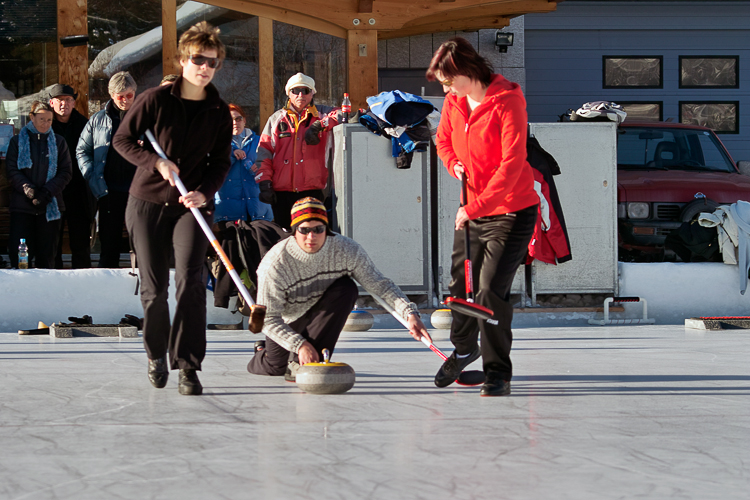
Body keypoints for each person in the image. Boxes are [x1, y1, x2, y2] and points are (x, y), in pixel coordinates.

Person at [112, 22, 232, 396]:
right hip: (146, 203)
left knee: (191, 285)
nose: (204, 67)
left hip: (189, 206)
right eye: (198, 59)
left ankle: (188, 366)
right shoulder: (154, 100)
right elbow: (123, 139)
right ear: (183, 60)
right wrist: (156, 163)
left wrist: (205, 192)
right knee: (154, 288)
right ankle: (155, 354)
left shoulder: (218, 111)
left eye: (211, 62)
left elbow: (221, 162)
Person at [427, 38, 539, 397]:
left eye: (448, 80)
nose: (445, 88)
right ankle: (463, 349)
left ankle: (497, 373)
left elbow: (511, 165)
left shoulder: (508, 101)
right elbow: (442, 140)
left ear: (466, 71)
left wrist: (473, 208)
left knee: (490, 292)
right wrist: (453, 163)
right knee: (460, 287)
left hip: (511, 211)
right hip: (472, 211)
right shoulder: (455, 102)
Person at [247, 197, 431, 380]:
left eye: (318, 229)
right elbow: (266, 319)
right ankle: (262, 351)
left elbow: (380, 285)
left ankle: (304, 363)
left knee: (347, 288)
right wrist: (299, 344)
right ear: (295, 231)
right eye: (304, 230)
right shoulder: (274, 264)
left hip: (321, 311)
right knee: (274, 367)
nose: (311, 237)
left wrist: (409, 314)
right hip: (288, 319)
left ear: (326, 229)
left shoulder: (346, 250)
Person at [254, 73, 340, 229]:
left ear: (312, 93)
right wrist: (264, 182)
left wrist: (320, 125)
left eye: (306, 90)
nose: (301, 95)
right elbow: (264, 153)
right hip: (282, 193)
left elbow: (344, 115)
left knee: (311, 237)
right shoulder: (276, 119)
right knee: (285, 240)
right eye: (296, 90)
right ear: (289, 93)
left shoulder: (322, 114)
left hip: (314, 191)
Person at [76, 71, 138, 268]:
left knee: (141, 243)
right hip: (108, 190)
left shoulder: (145, 118)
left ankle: (143, 285)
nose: (125, 100)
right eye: (121, 96)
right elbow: (82, 150)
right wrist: (91, 175)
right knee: (109, 243)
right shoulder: (97, 120)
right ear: (112, 95)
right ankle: (105, 287)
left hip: (138, 190)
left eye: (130, 95)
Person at [5, 101, 72, 268]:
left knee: (47, 257)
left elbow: (66, 172)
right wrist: (29, 190)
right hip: (23, 206)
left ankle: (45, 293)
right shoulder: (16, 142)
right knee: (21, 258)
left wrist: (46, 193)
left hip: (50, 206)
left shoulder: (59, 142)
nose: (46, 124)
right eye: (42, 119)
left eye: (49, 120)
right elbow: (12, 170)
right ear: (32, 117)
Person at [48, 83, 93, 268]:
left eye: (68, 100)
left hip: (79, 191)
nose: (63, 104)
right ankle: (54, 282)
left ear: (74, 103)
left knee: (80, 241)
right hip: (52, 191)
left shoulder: (85, 125)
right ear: (51, 103)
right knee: (53, 242)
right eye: (59, 100)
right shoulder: (45, 125)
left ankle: (84, 281)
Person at [214, 104, 273, 224]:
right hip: (228, 208)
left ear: (244, 121)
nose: (235, 122)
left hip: (257, 205)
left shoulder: (260, 141)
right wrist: (231, 153)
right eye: (230, 119)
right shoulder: (217, 143)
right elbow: (212, 168)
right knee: (231, 242)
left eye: (238, 118)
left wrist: (261, 169)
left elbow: (271, 165)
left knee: (258, 241)